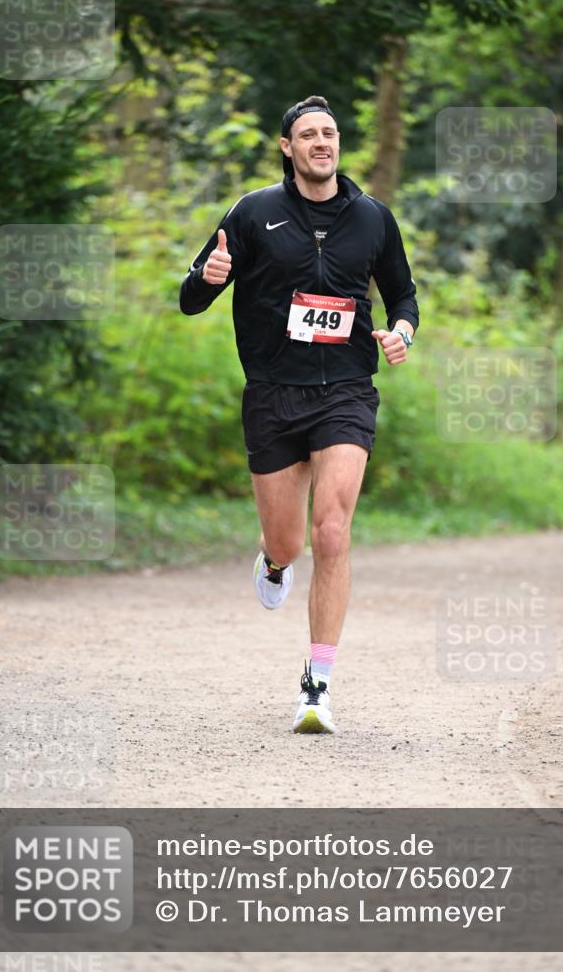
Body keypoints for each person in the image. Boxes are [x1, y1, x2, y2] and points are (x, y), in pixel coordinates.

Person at [180, 95, 419, 735]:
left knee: (333, 528)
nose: (321, 142)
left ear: (340, 144)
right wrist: (208, 275)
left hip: (345, 389)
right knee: (289, 540)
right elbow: (189, 298)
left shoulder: (372, 218)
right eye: (308, 134)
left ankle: (317, 687)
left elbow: (403, 293)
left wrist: (402, 331)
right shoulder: (253, 213)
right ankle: (276, 562)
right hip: (273, 393)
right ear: (287, 147)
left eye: (330, 133)